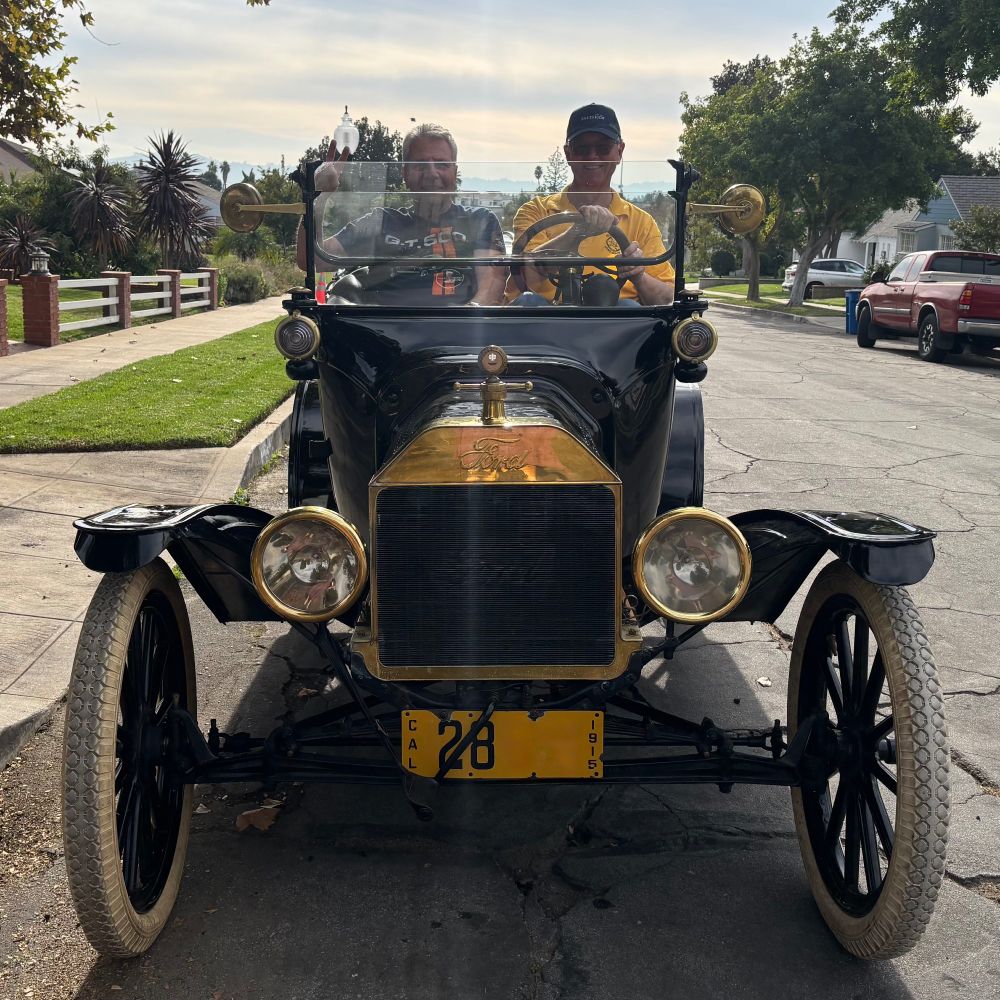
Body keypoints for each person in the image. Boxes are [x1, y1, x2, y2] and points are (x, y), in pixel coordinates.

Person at [296, 123, 505, 306]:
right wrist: (318, 197)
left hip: (458, 340)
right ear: (405, 173)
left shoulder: (480, 220)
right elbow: (313, 260)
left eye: (442, 164)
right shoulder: (380, 222)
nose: (432, 174)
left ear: (455, 172)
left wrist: (465, 320)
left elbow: (491, 287)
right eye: (420, 165)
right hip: (387, 339)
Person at [506, 104, 675, 306]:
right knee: (529, 303)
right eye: (582, 149)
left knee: (628, 307)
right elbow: (526, 274)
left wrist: (637, 274)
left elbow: (667, 299)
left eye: (603, 148)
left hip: (615, 329)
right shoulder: (534, 211)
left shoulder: (642, 223)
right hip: (545, 322)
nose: (592, 156)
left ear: (619, 151)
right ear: (568, 153)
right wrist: (577, 231)